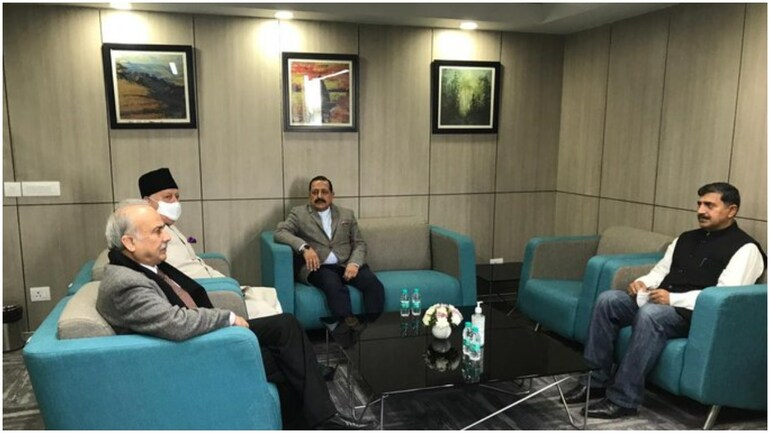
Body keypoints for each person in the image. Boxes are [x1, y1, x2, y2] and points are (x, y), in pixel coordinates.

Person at [95, 200, 372, 430]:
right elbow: (174, 323)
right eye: (157, 231)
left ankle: (317, 417)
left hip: (197, 336)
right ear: (129, 242)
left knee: (286, 325)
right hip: (188, 352)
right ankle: (322, 420)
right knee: (291, 361)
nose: (166, 236)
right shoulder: (125, 284)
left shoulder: (139, 266)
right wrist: (226, 318)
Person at [562, 182, 766, 419]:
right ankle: (595, 381)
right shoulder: (685, 238)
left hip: (697, 316)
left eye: (709, 205)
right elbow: (660, 272)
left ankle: (623, 399)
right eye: (699, 204)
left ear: (732, 210)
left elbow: (724, 299)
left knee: (651, 315)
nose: (701, 210)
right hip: (661, 301)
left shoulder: (746, 249)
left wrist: (673, 299)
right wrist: (642, 283)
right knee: (608, 300)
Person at [138, 168, 281, 319]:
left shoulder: (170, 226)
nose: (175, 202)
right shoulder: (149, 235)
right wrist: (223, 286)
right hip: (208, 293)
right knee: (271, 314)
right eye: (168, 197)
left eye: (177, 196)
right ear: (147, 202)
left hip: (218, 285)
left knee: (270, 296)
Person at [274, 175, 385, 324]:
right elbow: (280, 232)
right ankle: (347, 331)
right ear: (309, 195)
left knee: (374, 285)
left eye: (324, 192)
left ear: (332, 195)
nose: (319, 196)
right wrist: (305, 248)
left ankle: (371, 329)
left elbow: (359, 243)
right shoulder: (299, 214)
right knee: (333, 286)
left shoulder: (347, 214)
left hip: (346, 264)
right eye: (315, 192)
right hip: (319, 267)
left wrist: (354, 263)